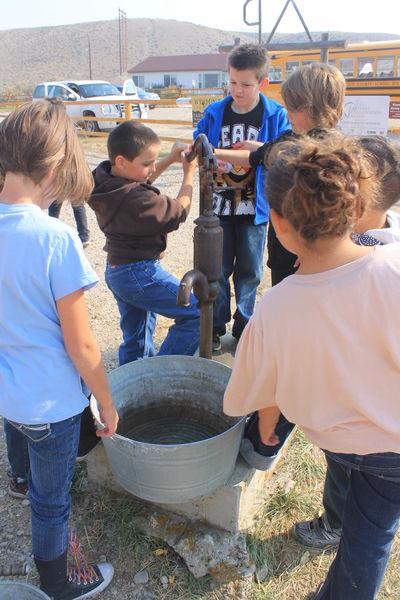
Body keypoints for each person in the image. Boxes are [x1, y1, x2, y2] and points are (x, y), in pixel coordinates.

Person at [223, 134, 400, 599]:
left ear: (278, 226)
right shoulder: (394, 266)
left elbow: (261, 395)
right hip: (394, 446)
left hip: (342, 443)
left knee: (362, 528)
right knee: (371, 538)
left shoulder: (277, 308)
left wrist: (266, 435)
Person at [0, 99, 119, 599]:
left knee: (24, 452)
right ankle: (59, 582)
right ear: (52, 169)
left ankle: (17, 478)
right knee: (52, 504)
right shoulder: (55, 239)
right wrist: (107, 405)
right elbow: (83, 345)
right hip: (53, 405)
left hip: (9, 397)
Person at [293, 134, 400, 550]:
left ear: (358, 201)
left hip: (351, 395)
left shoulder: (355, 253)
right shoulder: (388, 239)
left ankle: (335, 522)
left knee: (344, 462)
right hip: (380, 398)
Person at [194, 43, 290, 351]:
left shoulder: (275, 116)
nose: (237, 89)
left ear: (262, 83)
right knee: (217, 272)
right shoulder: (214, 112)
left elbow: (283, 155)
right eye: (232, 82)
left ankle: (245, 325)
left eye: (245, 84)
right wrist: (208, 157)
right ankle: (215, 326)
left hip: (256, 211)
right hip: (219, 208)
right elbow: (198, 143)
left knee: (250, 272)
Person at [88, 120, 200, 365]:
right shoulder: (136, 200)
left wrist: (169, 159)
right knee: (197, 313)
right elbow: (179, 211)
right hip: (139, 272)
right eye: (146, 163)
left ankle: (133, 382)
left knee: (136, 340)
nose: (151, 168)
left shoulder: (105, 180)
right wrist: (189, 172)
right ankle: (159, 373)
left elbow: (140, 180)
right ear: (121, 161)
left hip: (118, 270)